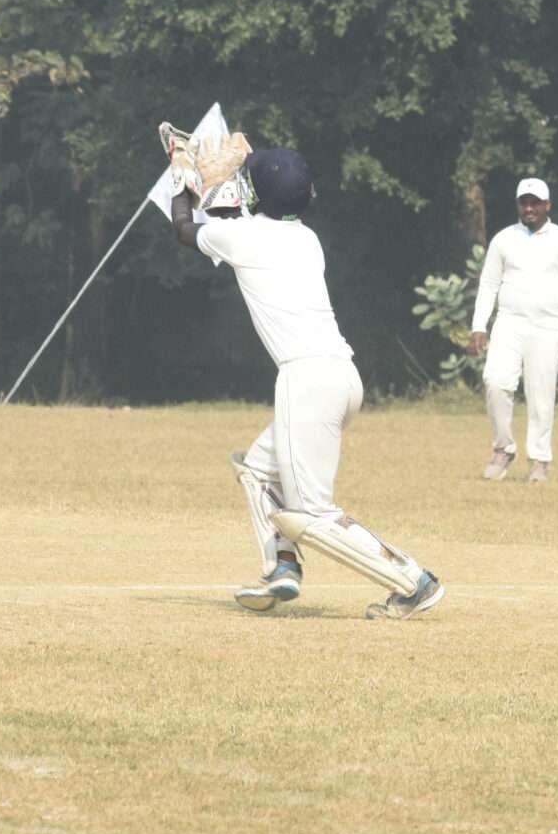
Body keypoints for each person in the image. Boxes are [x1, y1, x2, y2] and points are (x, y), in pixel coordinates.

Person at [170, 146, 444, 619]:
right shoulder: (307, 238)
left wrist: (182, 179)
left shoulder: (243, 238)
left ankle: (412, 581)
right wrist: (223, 189)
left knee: (311, 514)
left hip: (306, 378)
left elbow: (183, 228)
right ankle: (282, 567)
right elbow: (238, 217)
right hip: (341, 375)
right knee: (257, 468)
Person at [469, 177, 558, 483]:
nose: (529, 208)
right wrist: (479, 325)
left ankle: (539, 459)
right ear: (518, 205)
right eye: (524, 202)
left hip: (548, 325)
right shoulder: (503, 240)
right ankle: (503, 450)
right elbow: (488, 284)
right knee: (496, 382)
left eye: (535, 202)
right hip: (509, 322)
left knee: (540, 394)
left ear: (547, 205)